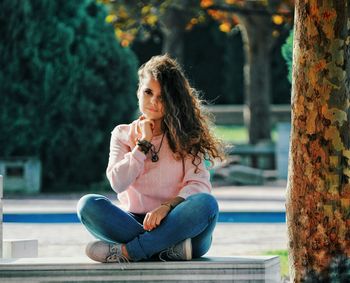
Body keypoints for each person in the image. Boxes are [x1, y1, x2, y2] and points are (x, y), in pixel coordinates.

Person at [77, 54, 225, 264]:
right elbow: (118, 183)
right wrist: (143, 144)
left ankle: (130, 252)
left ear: (173, 100)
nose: (153, 102)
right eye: (148, 92)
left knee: (206, 204)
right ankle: (166, 249)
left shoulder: (188, 135)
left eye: (162, 96)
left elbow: (199, 186)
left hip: (181, 225)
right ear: (139, 91)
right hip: (134, 223)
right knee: (88, 205)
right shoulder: (122, 134)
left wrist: (166, 208)